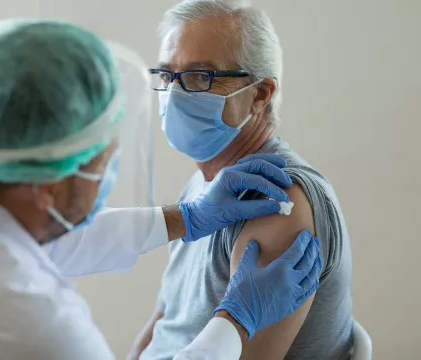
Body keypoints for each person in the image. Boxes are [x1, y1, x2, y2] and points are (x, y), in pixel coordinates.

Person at [0, 19, 322, 360]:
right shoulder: (37, 328)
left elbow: (54, 243)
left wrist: (186, 218)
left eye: (200, 76)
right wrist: (236, 321)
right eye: (101, 161)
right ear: (48, 186)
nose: (176, 95)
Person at [132, 1, 353, 360]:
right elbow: (166, 320)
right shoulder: (205, 186)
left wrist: (239, 317)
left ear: (261, 94)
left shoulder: (277, 198)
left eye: (199, 76)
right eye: (167, 75)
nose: (174, 94)